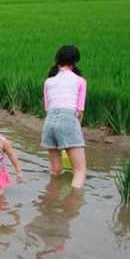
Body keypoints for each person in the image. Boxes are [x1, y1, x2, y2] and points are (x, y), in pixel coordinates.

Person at [41, 45, 87, 189]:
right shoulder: (80, 81)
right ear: (75, 61)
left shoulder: (48, 81)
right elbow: (80, 111)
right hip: (68, 120)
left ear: (58, 60)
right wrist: (76, 130)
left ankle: (51, 201)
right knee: (80, 171)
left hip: (49, 123)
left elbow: (47, 108)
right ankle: (71, 208)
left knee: (56, 169)